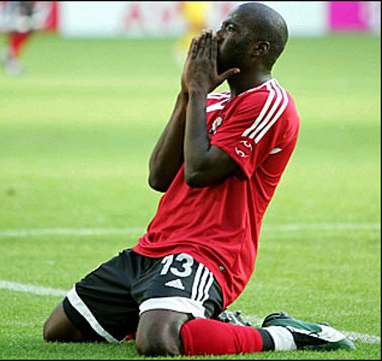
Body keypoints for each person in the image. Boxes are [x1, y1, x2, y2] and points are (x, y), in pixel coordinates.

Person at [42, 2, 356, 356]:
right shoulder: (211, 103)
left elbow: (199, 172)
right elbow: (159, 176)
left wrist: (198, 92)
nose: (218, 35)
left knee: (158, 341)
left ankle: (290, 336)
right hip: (154, 246)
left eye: (232, 29)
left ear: (259, 49)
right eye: (224, 25)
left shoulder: (270, 103)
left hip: (209, 251)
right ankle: (203, 321)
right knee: (60, 331)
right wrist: (187, 93)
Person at [0, 1, 36, 76]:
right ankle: (11, 60)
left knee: (23, 33)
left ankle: (9, 54)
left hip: (20, 11)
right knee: (22, 31)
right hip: (16, 12)